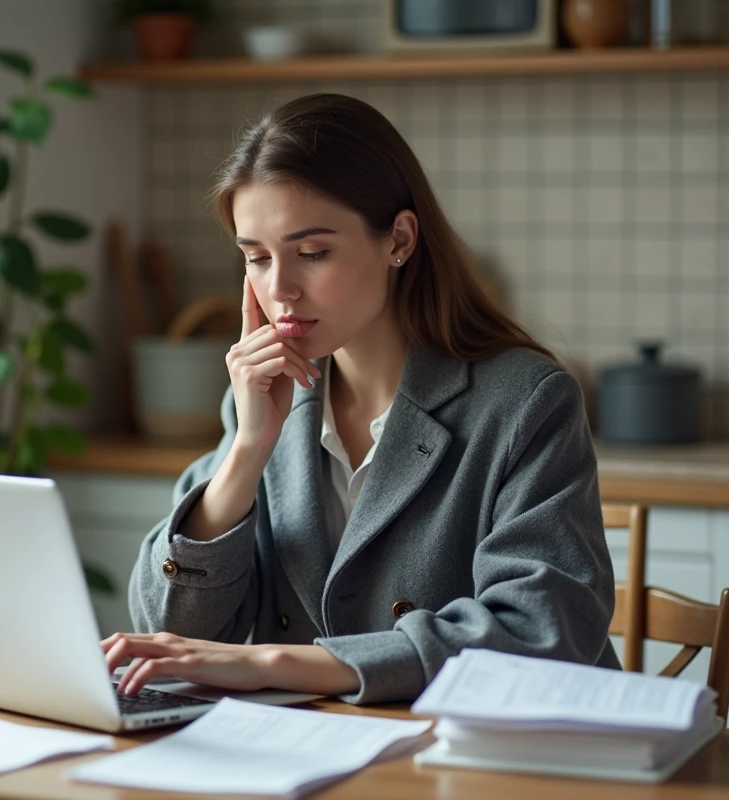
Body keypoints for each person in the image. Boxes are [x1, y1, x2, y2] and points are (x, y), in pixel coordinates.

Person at [103, 93, 619, 704]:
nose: (280, 288)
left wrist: (281, 662)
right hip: (312, 759)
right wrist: (246, 452)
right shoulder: (264, 400)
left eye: (312, 253)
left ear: (398, 239)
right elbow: (172, 634)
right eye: (256, 258)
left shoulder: (525, 402)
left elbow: (542, 632)